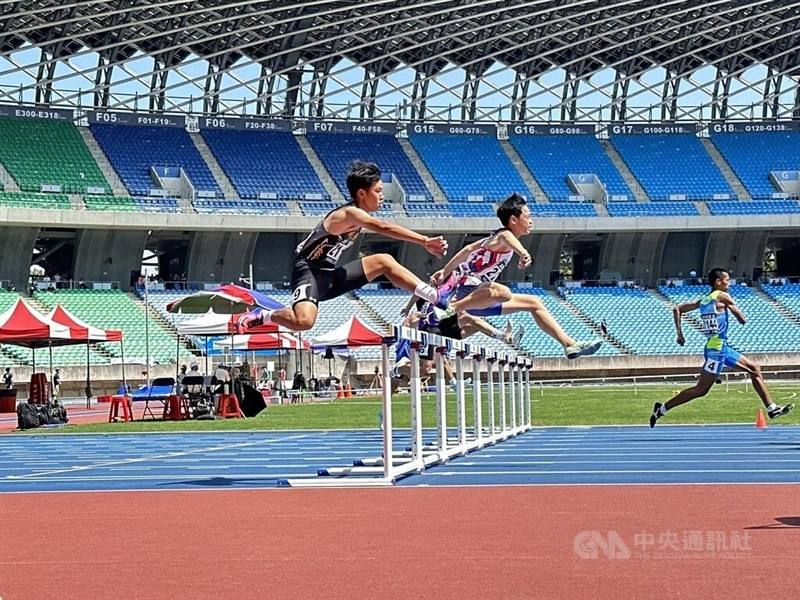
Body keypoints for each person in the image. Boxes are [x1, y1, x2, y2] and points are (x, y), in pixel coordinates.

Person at [238, 161, 449, 332]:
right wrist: (424, 241)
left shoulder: (357, 217)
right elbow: (382, 227)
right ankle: (264, 315)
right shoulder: (349, 214)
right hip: (308, 272)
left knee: (383, 261)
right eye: (378, 191)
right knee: (304, 323)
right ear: (361, 193)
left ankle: (434, 296)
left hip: (329, 276)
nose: (383, 196)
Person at [423, 193, 601, 360]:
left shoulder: (492, 238)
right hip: (467, 292)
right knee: (502, 292)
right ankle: (452, 308)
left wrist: (445, 271)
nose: (531, 221)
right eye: (528, 216)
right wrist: (523, 253)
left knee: (534, 303)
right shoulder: (502, 235)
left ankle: (569, 344)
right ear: (514, 219)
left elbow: (467, 249)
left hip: (478, 300)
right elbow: (508, 238)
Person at [650, 267, 793, 428]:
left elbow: (678, 309)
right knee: (701, 390)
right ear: (718, 282)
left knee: (754, 368)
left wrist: (680, 334)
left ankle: (772, 408)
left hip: (720, 346)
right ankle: (661, 409)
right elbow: (739, 315)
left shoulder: (704, 300)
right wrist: (739, 315)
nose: (729, 283)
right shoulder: (722, 295)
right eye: (727, 280)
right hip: (716, 350)